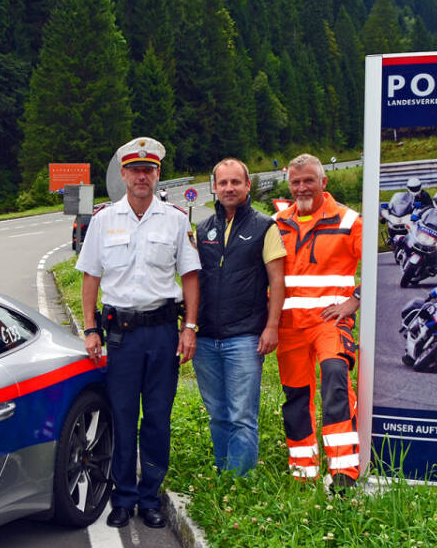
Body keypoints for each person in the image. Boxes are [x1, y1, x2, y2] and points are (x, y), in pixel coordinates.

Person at [77, 137, 201, 528]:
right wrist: (90, 328)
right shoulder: (103, 220)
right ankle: (123, 497)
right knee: (123, 417)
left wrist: (190, 328)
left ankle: (150, 497)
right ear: (124, 175)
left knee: (158, 419)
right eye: (135, 170)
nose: (141, 176)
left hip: (163, 333)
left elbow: (191, 276)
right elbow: (90, 278)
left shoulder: (177, 220)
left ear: (157, 174)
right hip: (121, 337)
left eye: (148, 170)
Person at [193, 158, 286, 475]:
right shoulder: (203, 229)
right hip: (206, 339)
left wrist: (271, 326)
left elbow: (277, 281)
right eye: (223, 183)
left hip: (245, 337)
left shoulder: (265, 226)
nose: (229, 188)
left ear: (248, 185)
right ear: (214, 187)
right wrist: (188, 327)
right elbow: (194, 281)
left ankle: (239, 482)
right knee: (217, 414)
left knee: (242, 415)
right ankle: (223, 473)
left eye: (236, 182)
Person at [275, 154, 362, 490]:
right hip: (290, 326)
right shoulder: (278, 222)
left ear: (323, 182)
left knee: (335, 379)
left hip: (330, 322)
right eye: (295, 182)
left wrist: (355, 301)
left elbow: (379, 263)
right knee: (296, 395)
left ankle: (343, 472)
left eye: (308, 180)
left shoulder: (349, 221)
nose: (301, 187)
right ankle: (303, 470)